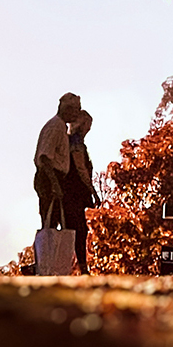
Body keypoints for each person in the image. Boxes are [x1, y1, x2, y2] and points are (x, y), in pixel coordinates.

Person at [34, 92, 81, 228]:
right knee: (51, 223)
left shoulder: (60, 126)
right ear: (67, 109)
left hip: (55, 177)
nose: (77, 114)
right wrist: (54, 183)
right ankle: (48, 248)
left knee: (57, 220)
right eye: (76, 110)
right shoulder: (56, 126)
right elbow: (44, 157)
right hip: (50, 176)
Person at [62, 109, 100, 274]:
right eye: (87, 125)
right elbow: (80, 167)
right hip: (74, 191)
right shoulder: (76, 143)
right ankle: (81, 266)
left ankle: (75, 265)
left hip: (72, 191)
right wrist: (92, 190)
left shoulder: (70, 142)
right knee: (78, 229)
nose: (89, 129)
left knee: (74, 228)